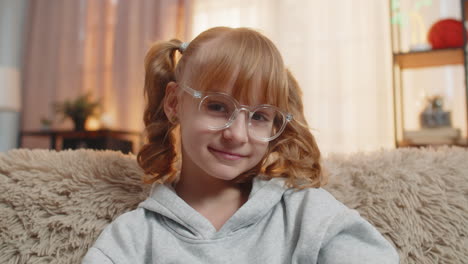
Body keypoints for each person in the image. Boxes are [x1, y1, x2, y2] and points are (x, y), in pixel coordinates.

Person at [82, 27, 399, 263]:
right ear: (174, 102)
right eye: (217, 106)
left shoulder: (308, 213)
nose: (237, 134)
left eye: (260, 116)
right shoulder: (135, 236)